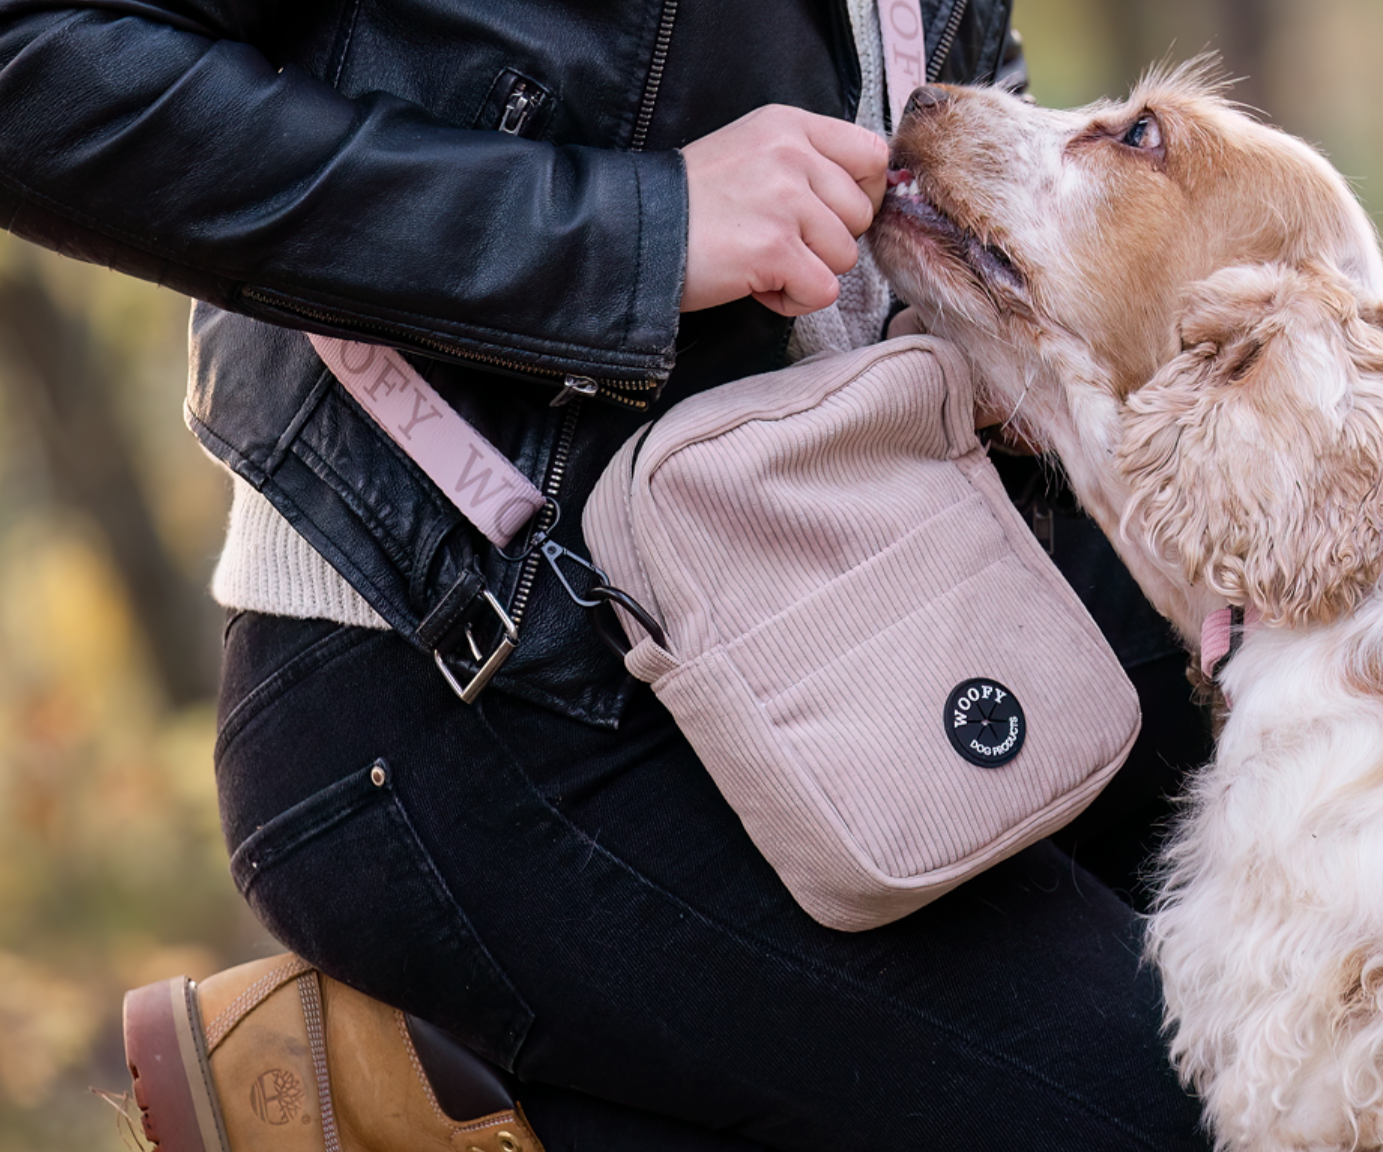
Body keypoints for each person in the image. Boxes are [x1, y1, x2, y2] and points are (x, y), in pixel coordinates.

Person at [0, 2, 1214, 1149]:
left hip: (867, 548)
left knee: (1294, 774)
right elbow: (33, 60)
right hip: (496, 651)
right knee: (1191, 1111)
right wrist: (641, 229)